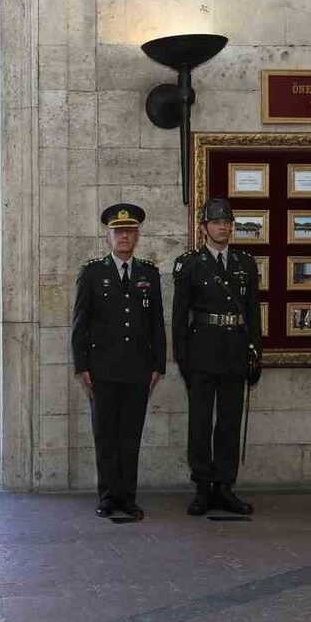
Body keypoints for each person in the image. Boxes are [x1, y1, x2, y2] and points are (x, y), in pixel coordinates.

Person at [71, 203, 166, 521]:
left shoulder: (148, 274)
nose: (124, 236)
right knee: (105, 436)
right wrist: (82, 366)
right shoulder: (93, 273)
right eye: (117, 231)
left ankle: (128, 497)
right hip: (103, 370)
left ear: (137, 235)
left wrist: (158, 365)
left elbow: (157, 323)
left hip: (138, 370)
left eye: (129, 231)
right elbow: (80, 324)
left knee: (130, 436)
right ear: (108, 237)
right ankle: (108, 496)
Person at [172, 198, 261, 517]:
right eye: (217, 222)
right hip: (202, 352)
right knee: (199, 423)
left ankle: (225, 486)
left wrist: (255, 352)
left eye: (228, 222)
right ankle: (202, 486)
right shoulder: (190, 264)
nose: (224, 227)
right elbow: (180, 317)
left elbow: (253, 312)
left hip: (235, 351)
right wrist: (182, 360)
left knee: (228, 421)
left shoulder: (245, 263)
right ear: (204, 227)